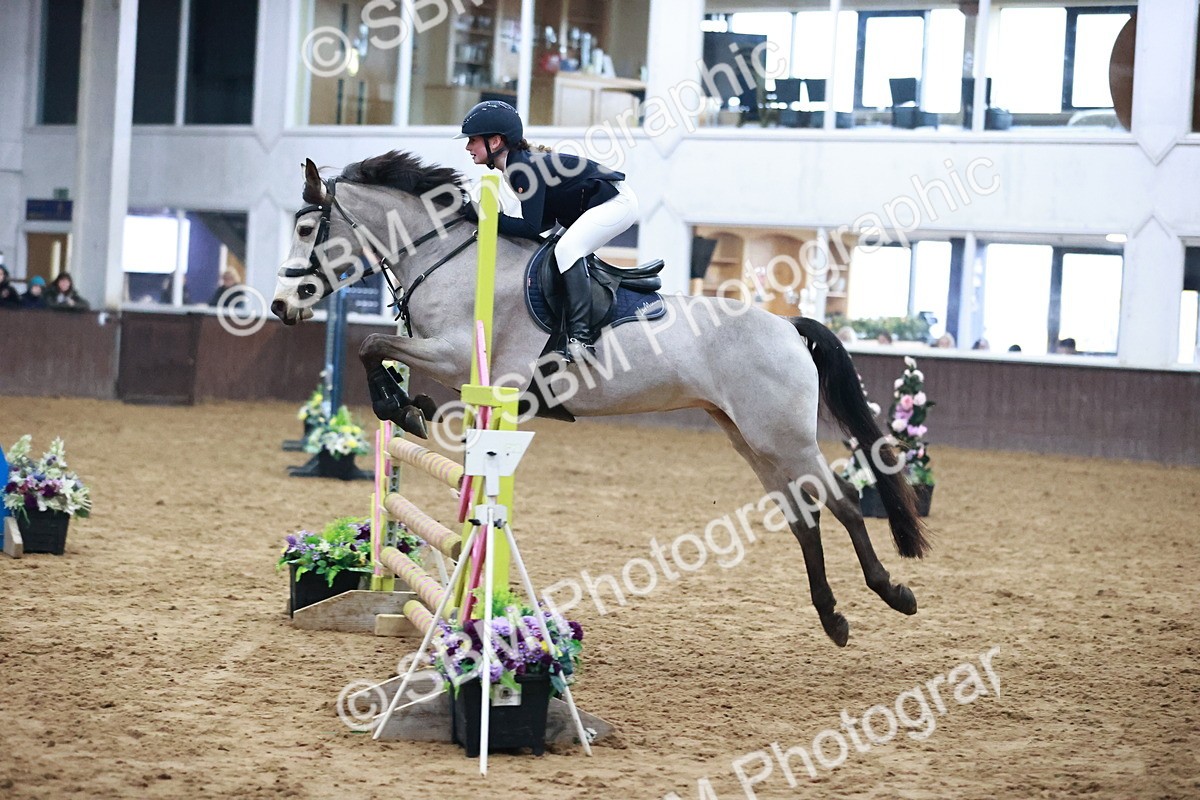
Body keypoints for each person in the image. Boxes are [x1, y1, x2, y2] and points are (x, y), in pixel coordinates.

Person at [457, 100, 637, 362]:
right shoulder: (515, 168)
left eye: (472, 140)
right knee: (552, 252)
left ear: (495, 142)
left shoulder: (522, 169)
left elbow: (530, 228)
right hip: (590, 207)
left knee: (567, 250)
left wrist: (487, 219)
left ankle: (580, 338)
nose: (467, 147)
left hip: (616, 203)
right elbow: (541, 225)